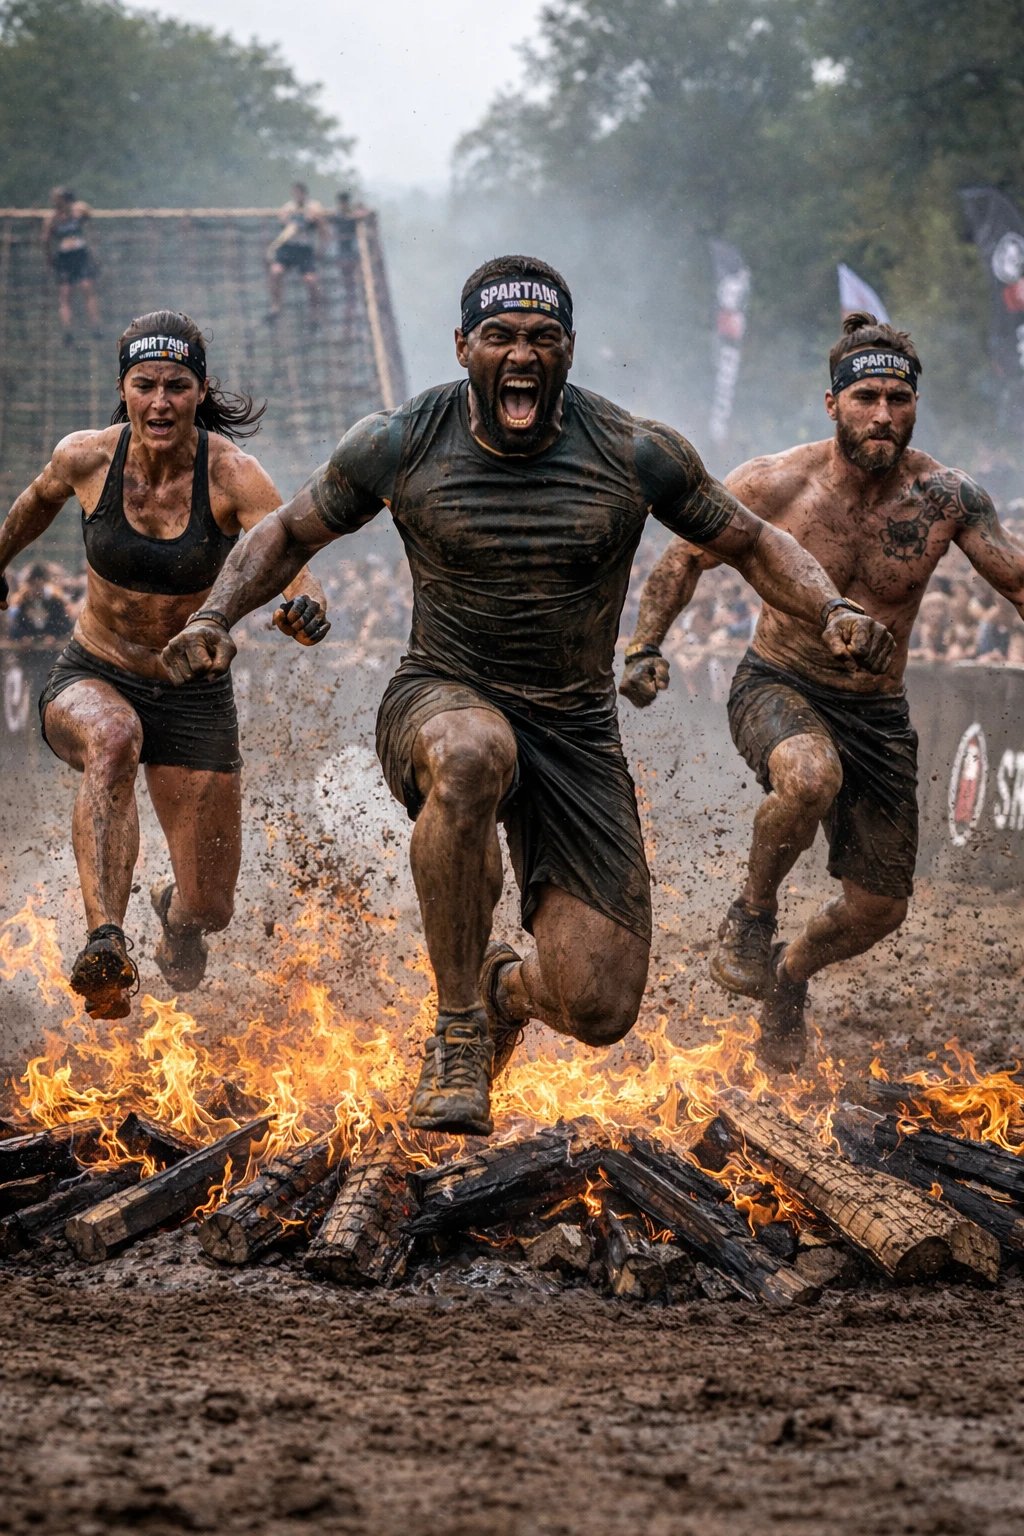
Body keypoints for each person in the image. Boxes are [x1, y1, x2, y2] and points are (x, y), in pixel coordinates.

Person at [161, 257, 891, 1135]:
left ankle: (501, 990)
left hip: (575, 730)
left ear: (568, 353)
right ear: (463, 347)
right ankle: (458, 1030)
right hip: (442, 695)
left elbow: (754, 542)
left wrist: (833, 607)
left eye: (542, 339)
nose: (521, 355)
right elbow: (285, 533)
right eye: (500, 337)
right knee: (474, 753)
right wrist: (215, 614)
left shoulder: (634, 450)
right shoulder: (399, 440)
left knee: (600, 1007)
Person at [621, 311, 1024, 1069]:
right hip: (780, 682)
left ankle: (788, 975)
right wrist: (645, 645)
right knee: (809, 776)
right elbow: (683, 558)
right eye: (866, 397)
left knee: (879, 909)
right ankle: (751, 915)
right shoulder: (773, 482)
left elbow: (1018, 580)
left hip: (877, 711)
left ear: (915, 405)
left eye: (898, 399)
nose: (883, 415)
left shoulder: (946, 498)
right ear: (833, 403)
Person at [0, 310, 328, 1020]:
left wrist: (304, 604)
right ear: (123, 389)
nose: (159, 402)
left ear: (200, 391)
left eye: (176, 386)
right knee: (113, 736)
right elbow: (35, 501)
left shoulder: (233, 475)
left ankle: (174, 917)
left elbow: (290, 549)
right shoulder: (86, 457)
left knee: (211, 906)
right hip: (94, 671)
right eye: (144, 385)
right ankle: (105, 942)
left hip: (192, 693)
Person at [42, 187, 101, 344]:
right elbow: (46, 240)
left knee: (87, 289)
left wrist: (75, 209)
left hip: (80, 255)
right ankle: (68, 331)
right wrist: (49, 258)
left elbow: (87, 212)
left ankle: (95, 326)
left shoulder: (77, 212)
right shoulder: (52, 218)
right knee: (65, 294)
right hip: (65, 258)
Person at [266, 183, 326, 323]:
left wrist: (321, 248)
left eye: (300, 193)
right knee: (275, 272)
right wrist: (289, 219)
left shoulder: (314, 207)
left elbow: (323, 229)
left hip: (304, 250)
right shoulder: (288, 208)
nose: (298, 196)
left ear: (304, 194)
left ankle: (314, 314)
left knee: (311, 281)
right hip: (289, 247)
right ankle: (275, 306)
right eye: (295, 193)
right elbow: (282, 221)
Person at [7, 562, 74, 644]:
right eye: (33, 585)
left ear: (44, 583)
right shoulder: (23, 601)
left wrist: (53, 635)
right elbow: (17, 624)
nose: (36, 589)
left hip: (52, 644)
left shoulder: (54, 600)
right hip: (29, 644)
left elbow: (63, 623)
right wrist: (23, 636)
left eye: (39, 585)